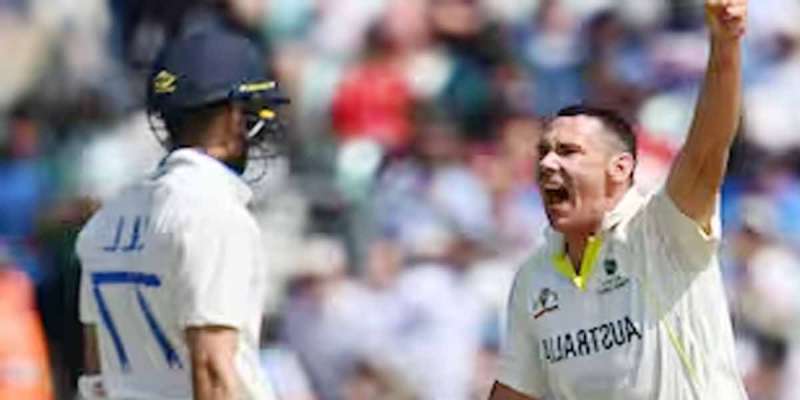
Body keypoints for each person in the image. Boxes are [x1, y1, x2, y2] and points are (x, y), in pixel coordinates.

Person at [489, 0, 748, 399]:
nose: (547, 163)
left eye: (568, 151)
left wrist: (725, 46)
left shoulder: (659, 230)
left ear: (621, 168)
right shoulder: (534, 277)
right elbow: (516, 391)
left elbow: (707, 150)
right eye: (543, 152)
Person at [75, 28, 288, 400]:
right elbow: (212, 369)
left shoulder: (107, 219)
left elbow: (96, 368)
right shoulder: (215, 214)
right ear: (234, 116)